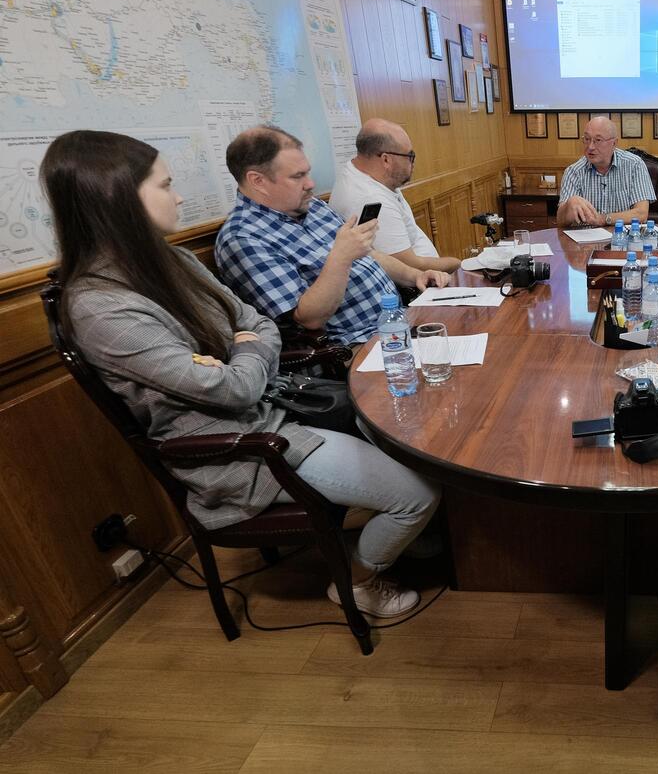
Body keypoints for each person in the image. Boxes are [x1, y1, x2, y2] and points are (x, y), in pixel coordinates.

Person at [44, 130, 444, 617]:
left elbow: (257, 323)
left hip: (275, 408)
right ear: (117, 200)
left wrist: (243, 346)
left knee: (422, 447)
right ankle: (357, 582)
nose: (179, 197)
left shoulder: (171, 260)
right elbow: (235, 388)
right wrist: (246, 348)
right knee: (418, 494)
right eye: (165, 185)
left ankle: (406, 535)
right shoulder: (101, 308)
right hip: (243, 447)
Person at [215, 125, 450, 346]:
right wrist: (341, 257)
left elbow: (369, 254)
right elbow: (309, 318)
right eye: (297, 176)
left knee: (466, 325)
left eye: (307, 173)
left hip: (397, 321)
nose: (310, 184)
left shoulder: (313, 207)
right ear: (258, 181)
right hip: (355, 346)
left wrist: (415, 275)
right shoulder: (243, 238)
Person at [328, 118, 461, 274]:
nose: (413, 162)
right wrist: (458, 264)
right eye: (410, 156)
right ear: (386, 160)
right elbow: (411, 266)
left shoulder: (371, 175)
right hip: (420, 283)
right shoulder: (370, 198)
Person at [556, 116, 655, 227]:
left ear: (614, 143)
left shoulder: (634, 165)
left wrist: (603, 219)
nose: (590, 147)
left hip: (621, 236)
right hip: (586, 236)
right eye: (587, 139)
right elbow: (560, 221)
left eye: (598, 140)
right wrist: (569, 205)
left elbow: (641, 214)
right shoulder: (573, 171)